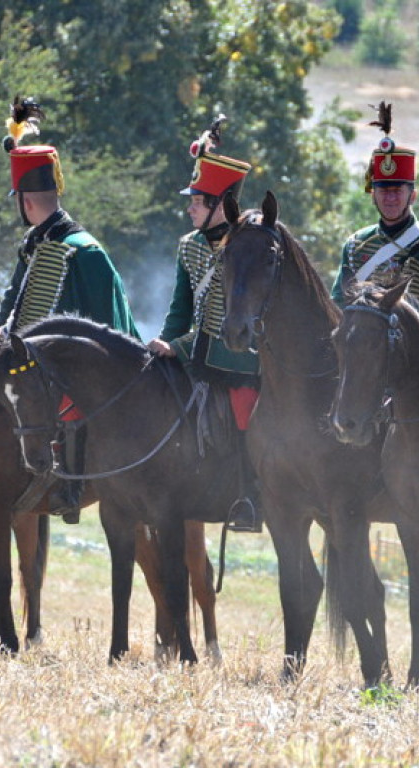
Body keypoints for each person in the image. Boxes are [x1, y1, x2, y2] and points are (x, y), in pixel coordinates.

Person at [0, 97, 140, 523]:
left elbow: (106, 327)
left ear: (25, 201)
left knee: (64, 400)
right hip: (34, 358)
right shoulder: (36, 243)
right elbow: (14, 301)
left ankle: (70, 484)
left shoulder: (83, 249)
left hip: (83, 370)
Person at [147, 116, 263, 533]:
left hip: (234, 356)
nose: (189, 207)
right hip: (192, 351)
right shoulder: (188, 247)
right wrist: (166, 341)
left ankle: (249, 496)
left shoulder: (247, 245)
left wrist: (179, 346)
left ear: (219, 205)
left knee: (243, 404)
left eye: (197, 200)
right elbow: (180, 309)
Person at [331, 102, 419, 333]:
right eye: (384, 191)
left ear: (412, 195)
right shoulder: (356, 245)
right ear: (373, 195)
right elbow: (338, 305)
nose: (390, 198)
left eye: (398, 191)